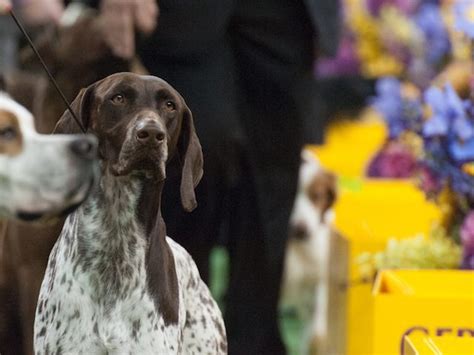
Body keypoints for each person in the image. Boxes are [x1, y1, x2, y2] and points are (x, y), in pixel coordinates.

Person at [74, 1, 340, 353]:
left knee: (272, 180)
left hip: (282, 16)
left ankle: (254, 344)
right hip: (179, 12)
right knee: (189, 154)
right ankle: (168, 333)